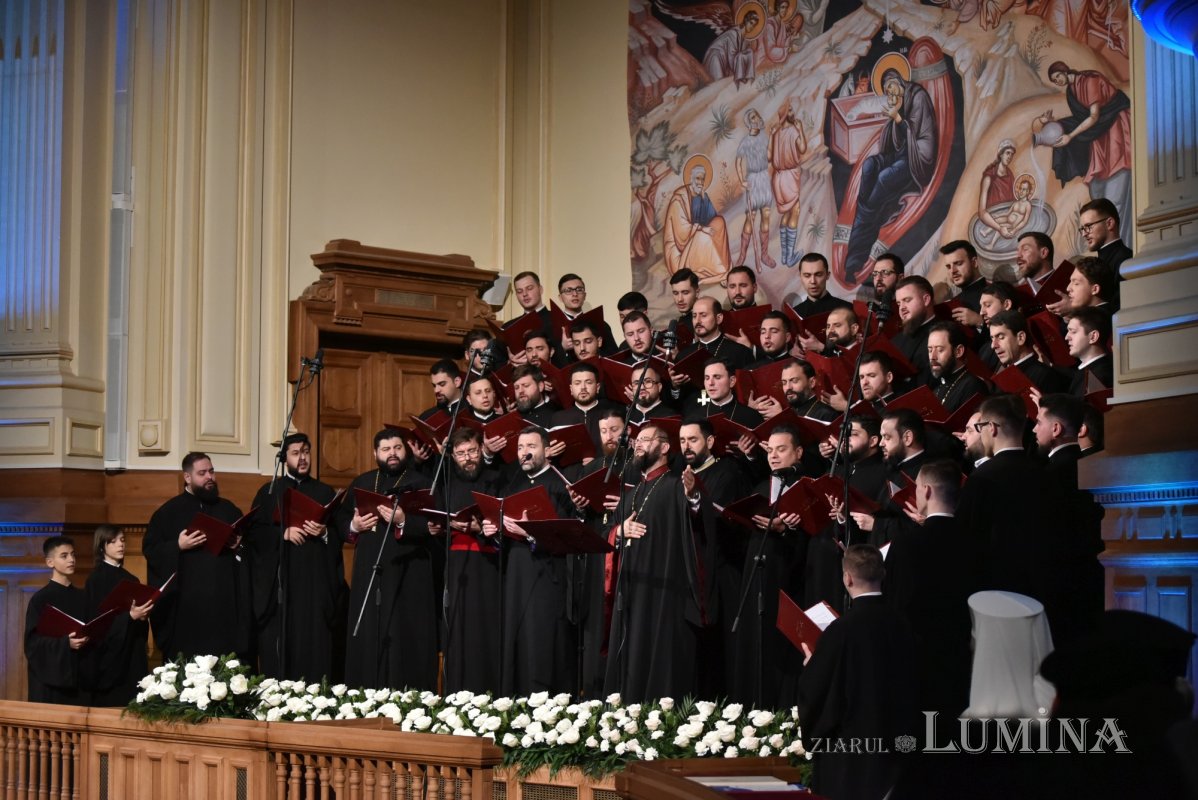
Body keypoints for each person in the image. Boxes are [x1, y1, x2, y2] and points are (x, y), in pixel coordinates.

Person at [797, 544, 917, 800]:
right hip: (897, 750)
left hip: (850, 756)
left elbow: (818, 690)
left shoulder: (841, 631)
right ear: (882, 574)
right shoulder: (904, 623)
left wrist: (812, 667)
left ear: (847, 578)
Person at [604, 423, 706, 702]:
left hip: (664, 593)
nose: (639, 444)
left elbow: (697, 519)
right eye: (637, 440)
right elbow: (610, 535)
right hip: (632, 587)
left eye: (647, 439)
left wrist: (693, 496)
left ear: (664, 447)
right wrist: (618, 531)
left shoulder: (675, 486)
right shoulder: (630, 493)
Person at [336, 430, 437, 690]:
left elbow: (434, 526)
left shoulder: (421, 482)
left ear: (405, 451)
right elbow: (340, 523)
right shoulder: (363, 482)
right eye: (385, 449)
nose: (392, 453)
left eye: (397, 448)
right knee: (371, 630)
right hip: (372, 570)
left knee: (407, 632)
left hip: (410, 569)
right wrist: (354, 525)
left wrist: (403, 520)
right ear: (375, 454)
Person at [485, 428, 577, 696]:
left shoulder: (560, 485)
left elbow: (566, 536)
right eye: (520, 447)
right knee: (516, 637)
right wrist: (496, 532)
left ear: (547, 450)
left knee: (541, 639)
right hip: (515, 572)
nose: (524, 452)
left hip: (546, 574)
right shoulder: (513, 483)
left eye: (532, 446)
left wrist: (531, 534)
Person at [247, 432, 342, 681]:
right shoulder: (269, 492)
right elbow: (253, 534)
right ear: (284, 458)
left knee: (314, 644)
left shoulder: (324, 491)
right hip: (281, 587)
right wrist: (282, 533)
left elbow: (339, 533)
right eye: (296, 453)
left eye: (306, 452)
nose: (303, 458)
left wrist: (323, 533)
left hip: (314, 587)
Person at [884, 461, 974, 716]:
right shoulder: (975, 540)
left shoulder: (907, 544)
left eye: (917, 487)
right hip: (964, 653)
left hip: (917, 658)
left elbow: (895, 601)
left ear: (927, 491)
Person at [144, 452, 252, 661]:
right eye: (202, 473)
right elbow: (152, 550)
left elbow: (248, 549)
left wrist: (240, 544)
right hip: (187, 610)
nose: (209, 477)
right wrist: (178, 545)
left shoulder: (228, 509)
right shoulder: (168, 513)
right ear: (187, 477)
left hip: (224, 606)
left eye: (211, 471)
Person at [730, 427, 807, 706]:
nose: (773, 456)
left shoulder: (806, 488)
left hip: (789, 581)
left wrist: (785, 530)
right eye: (770, 450)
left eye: (781, 449)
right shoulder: (762, 487)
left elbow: (812, 540)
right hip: (756, 577)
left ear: (798, 453)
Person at [677, 419, 752, 696]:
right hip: (691, 574)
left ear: (709, 442)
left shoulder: (726, 472)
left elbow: (722, 520)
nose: (686, 446)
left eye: (693, 440)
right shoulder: (680, 473)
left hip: (722, 570)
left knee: (721, 649)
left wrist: (697, 499)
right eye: (682, 440)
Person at [843, 67, 937, 284]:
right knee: (869, 165)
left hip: (916, 157)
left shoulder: (918, 97)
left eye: (892, 88)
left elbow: (919, 134)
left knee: (884, 178)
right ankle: (865, 217)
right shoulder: (896, 100)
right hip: (899, 153)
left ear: (900, 81)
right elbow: (894, 140)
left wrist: (897, 117)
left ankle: (855, 255)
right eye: (886, 90)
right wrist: (894, 118)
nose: (890, 93)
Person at [434, 428, 501, 694]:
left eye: (472, 451)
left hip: (488, 566)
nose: (467, 458)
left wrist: (480, 528)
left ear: (480, 450)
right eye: (461, 454)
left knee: (486, 630)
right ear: (452, 456)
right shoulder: (445, 485)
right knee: (458, 630)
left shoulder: (496, 480)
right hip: (456, 564)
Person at [1044, 63, 1133, 246]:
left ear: (1064, 71)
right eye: (1054, 81)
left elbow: (1093, 116)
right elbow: (1079, 119)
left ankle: (1121, 243)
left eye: (1057, 77)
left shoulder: (1090, 80)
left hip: (1114, 129)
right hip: (1098, 136)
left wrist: (1070, 135)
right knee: (1097, 189)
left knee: (1116, 190)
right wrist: (1056, 124)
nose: (1057, 82)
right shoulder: (1071, 91)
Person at [85, 525, 153, 706]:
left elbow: (138, 621)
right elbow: (97, 623)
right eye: (113, 541)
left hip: (133, 650)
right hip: (111, 660)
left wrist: (142, 616)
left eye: (122, 540)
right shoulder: (96, 579)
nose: (120, 545)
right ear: (102, 546)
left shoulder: (131, 579)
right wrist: (129, 617)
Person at [25, 536, 92, 703]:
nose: (71, 559)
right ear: (50, 562)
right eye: (64, 556)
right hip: (50, 686)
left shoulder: (83, 597)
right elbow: (32, 644)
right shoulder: (40, 599)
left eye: (73, 554)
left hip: (80, 680)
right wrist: (65, 644)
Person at [663, 161, 732, 285]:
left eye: (703, 179)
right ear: (691, 178)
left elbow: (712, 219)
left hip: (694, 239)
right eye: (698, 178)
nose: (700, 182)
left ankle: (723, 266)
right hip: (679, 252)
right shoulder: (678, 199)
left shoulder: (702, 196)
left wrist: (704, 201)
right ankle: (719, 272)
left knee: (719, 222)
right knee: (702, 237)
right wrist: (701, 229)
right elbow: (681, 233)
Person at [989, 310, 1069, 393]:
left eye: (1001, 337)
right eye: (992, 338)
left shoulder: (1045, 375)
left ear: (1020, 338)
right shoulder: (1002, 379)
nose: (993, 345)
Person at [735, 109, 776, 270]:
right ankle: (742, 255)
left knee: (766, 215)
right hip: (752, 179)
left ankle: (764, 255)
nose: (757, 118)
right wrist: (742, 181)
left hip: (764, 178)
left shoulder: (764, 137)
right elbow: (738, 162)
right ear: (749, 122)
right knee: (750, 217)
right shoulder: (745, 141)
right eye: (753, 117)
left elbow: (770, 157)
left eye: (757, 115)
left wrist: (772, 137)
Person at [770, 99, 808, 266]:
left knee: (786, 213)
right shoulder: (793, 131)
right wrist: (800, 130)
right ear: (785, 115)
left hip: (778, 178)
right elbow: (803, 149)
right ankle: (790, 256)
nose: (793, 114)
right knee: (795, 210)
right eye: (790, 111)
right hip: (789, 177)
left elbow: (770, 157)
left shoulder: (777, 133)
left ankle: (785, 256)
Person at [676, 297, 753, 371]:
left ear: (719, 318)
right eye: (694, 316)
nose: (697, 321)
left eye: (703, 315)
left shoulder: (740, 352)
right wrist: (675, 383)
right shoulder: (683, 356)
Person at [927, 321, 988, 411]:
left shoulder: (973, 386)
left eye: (940, 350)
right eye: (930, 350)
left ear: (958, 351)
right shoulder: (936, 390)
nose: (933, 357)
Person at [892, 275, 937, 387]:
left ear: (926, 300)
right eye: (898, 303)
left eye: (907, 300)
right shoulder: (895, 341)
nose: (901, 308)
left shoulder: (944, 334)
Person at [556, 273, 617, 357]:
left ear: (584, 295)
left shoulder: (601, 325)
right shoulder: (552, 326)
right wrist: (562, 348)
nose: (574, 294)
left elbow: (613, 356)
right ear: (560, 297)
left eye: (579, 289)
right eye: (568, 290)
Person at [1065, 306, 1114, 394]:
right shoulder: (1087, 371)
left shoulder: (1101, 375)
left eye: (1073, 331)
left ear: (1093, 337)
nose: (1066, 337)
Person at [1079, 197, 1133, 273]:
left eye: (1088, 226)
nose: (1084, 234)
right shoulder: (1101, 263)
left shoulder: (1126, 261)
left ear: (1109, 224)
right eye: (1082, 229)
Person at [942, 240, 987, 320]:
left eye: (958, 264)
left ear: (974, 262)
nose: (953, 271)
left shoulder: (997, 291)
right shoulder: (952, 304)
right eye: (949, 267)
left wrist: (978, 321)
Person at [511, 363, 558, 428]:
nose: (520, 391)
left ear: (540, 386)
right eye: (516, 388)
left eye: (526, 385)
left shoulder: (555, 416)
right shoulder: (512, 418)